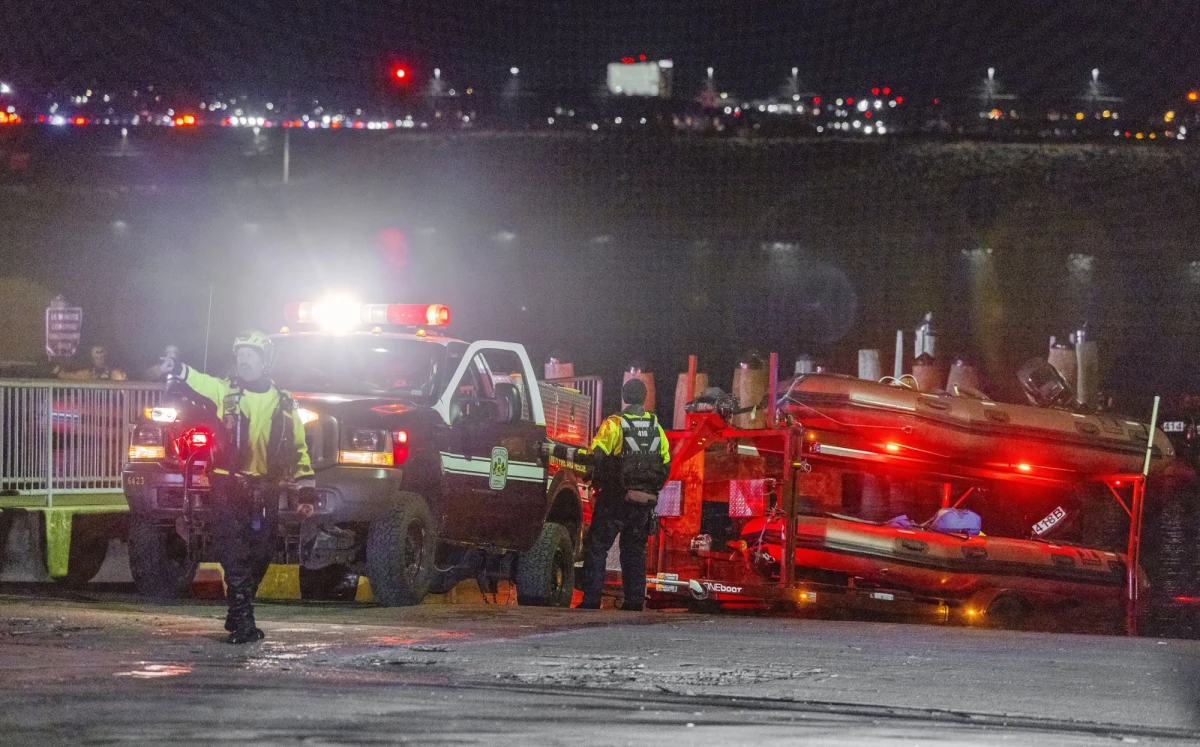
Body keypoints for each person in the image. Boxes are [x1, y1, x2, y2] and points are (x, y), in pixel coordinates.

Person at [160, 330, 313, 643]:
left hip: (266, 488)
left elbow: (299, 448)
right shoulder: (225, 392)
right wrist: (178, 369)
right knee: (233, 553)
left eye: (250, 356)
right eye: (239, 356)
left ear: (264, 361)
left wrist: (305, 491)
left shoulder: (283, 402)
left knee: (262, 553)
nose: (243, 361)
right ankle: (244, 622)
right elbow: (200, 380)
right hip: (227, 485)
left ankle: (237, 610)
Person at [578, 378, 671, 611]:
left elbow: (596, 455)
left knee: (597, 547)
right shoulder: (656, 427)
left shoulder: (614, 424)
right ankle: (634, 601)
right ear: (644, 397)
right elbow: (666, 464)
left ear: (624, 396)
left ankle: (591, 601)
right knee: (634, 550)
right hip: (644, 502)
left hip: (614, 499)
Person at [57, 345, 127, 381]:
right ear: (92, 357)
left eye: (102, 355)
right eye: (97, 355)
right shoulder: (87, 373)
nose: (100, 357)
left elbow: (121, 392)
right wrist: (56, 369)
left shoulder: (115, 373)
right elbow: (69, 376)